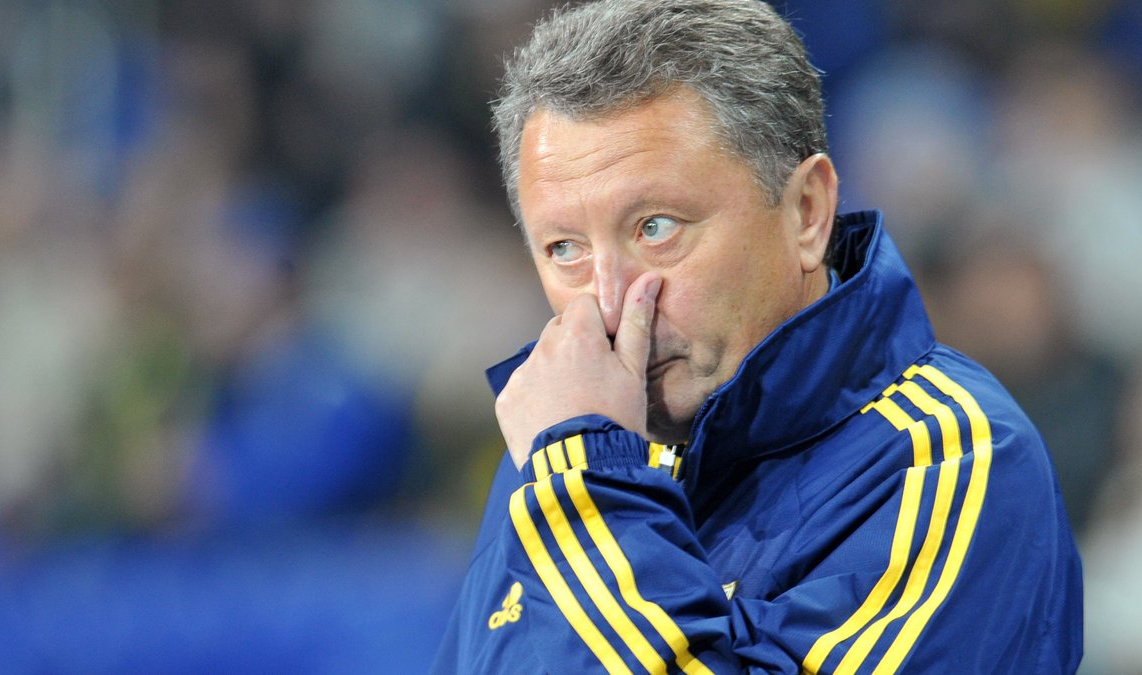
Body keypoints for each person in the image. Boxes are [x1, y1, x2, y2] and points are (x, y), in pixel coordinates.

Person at [432, 1, 1082, 672]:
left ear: (807, 211)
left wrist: (585, 483)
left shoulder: (954, 462)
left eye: (656, 227)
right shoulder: (561, 449)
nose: (610, 304)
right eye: (564, 248)